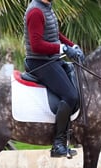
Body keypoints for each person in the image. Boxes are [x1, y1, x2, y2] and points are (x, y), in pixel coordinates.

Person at [24, 0, 84, 158]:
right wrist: (63, 48)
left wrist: (72, 46)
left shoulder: (46, 8)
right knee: (70, 96)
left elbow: (53, 34)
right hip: (39, 62)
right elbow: (36, 45)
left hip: (51, 60)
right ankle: (58, 143)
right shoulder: (35, 12)